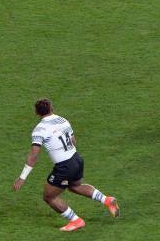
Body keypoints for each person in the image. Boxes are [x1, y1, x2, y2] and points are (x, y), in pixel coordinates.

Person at [12, 99, 119, 232]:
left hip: (64, 166)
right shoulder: (63, 120)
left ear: (37, 113)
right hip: (77, 158)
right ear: (52, 108)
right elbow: (73, 141)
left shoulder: (39, 130)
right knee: (75, 186)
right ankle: (107, 200)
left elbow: (33, 157)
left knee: (49, 196)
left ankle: (75, 220)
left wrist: (22, 178)